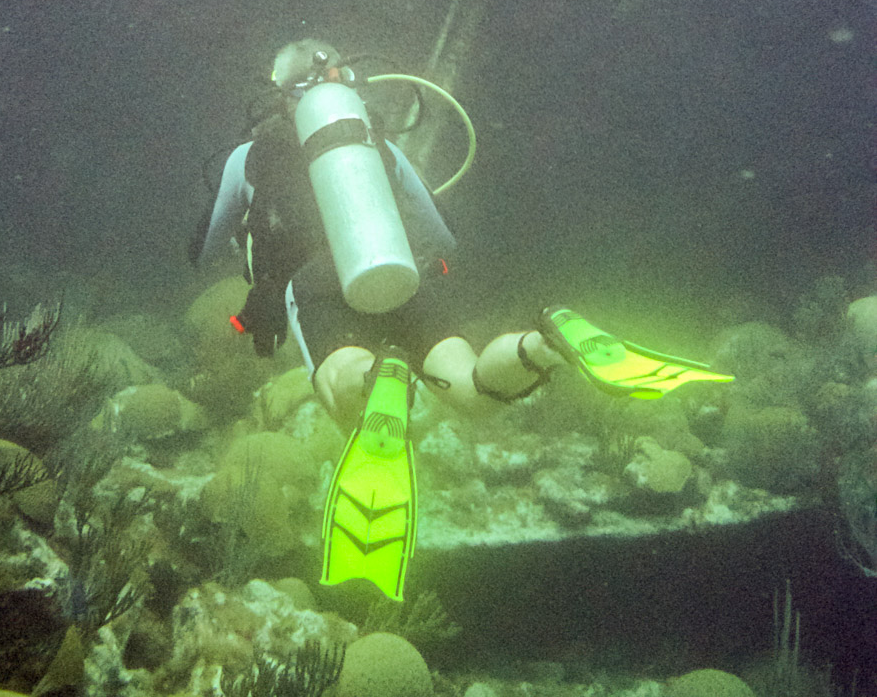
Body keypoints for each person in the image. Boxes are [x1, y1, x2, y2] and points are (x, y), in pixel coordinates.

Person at [196, 37, 732, 600]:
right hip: (406, 270)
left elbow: (205, 244)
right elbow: (441, 231)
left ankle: (376, 380)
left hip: (320, 286)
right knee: (475, 391)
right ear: (344, 80)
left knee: (343, 393)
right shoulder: (374, 142)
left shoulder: (248, 157)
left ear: (280, 94)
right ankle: (545, 342)